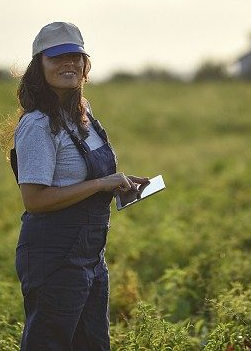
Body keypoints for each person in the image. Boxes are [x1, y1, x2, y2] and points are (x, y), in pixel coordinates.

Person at [9, 21, 148, 350]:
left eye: (75, 56)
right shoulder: (37, 124)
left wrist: (119, 184)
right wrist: (101, 183)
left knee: (94, 344)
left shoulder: (83, 115)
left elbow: (83, 180)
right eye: (56, 58)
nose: (67, 64)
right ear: (38, 66)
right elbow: (35, 200)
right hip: (54, 253)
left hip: (89, 253)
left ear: (86, 66)